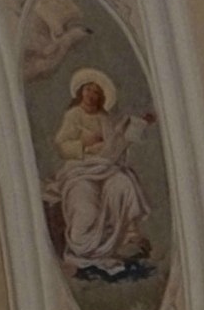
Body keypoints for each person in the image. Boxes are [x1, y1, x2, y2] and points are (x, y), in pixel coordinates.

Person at [44, 70, 157, 282]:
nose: (92, 95)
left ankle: (127, 235)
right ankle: (81, 248)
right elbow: (62, 145)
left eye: (97, 92)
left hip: (105, 167)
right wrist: (84, 144)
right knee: (87, 209)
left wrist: (139, 124)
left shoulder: (104, 118)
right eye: (88, 90)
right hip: (80, 172)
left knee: (123, 183)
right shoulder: (74, 115)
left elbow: (115, 144)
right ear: (80, 92)